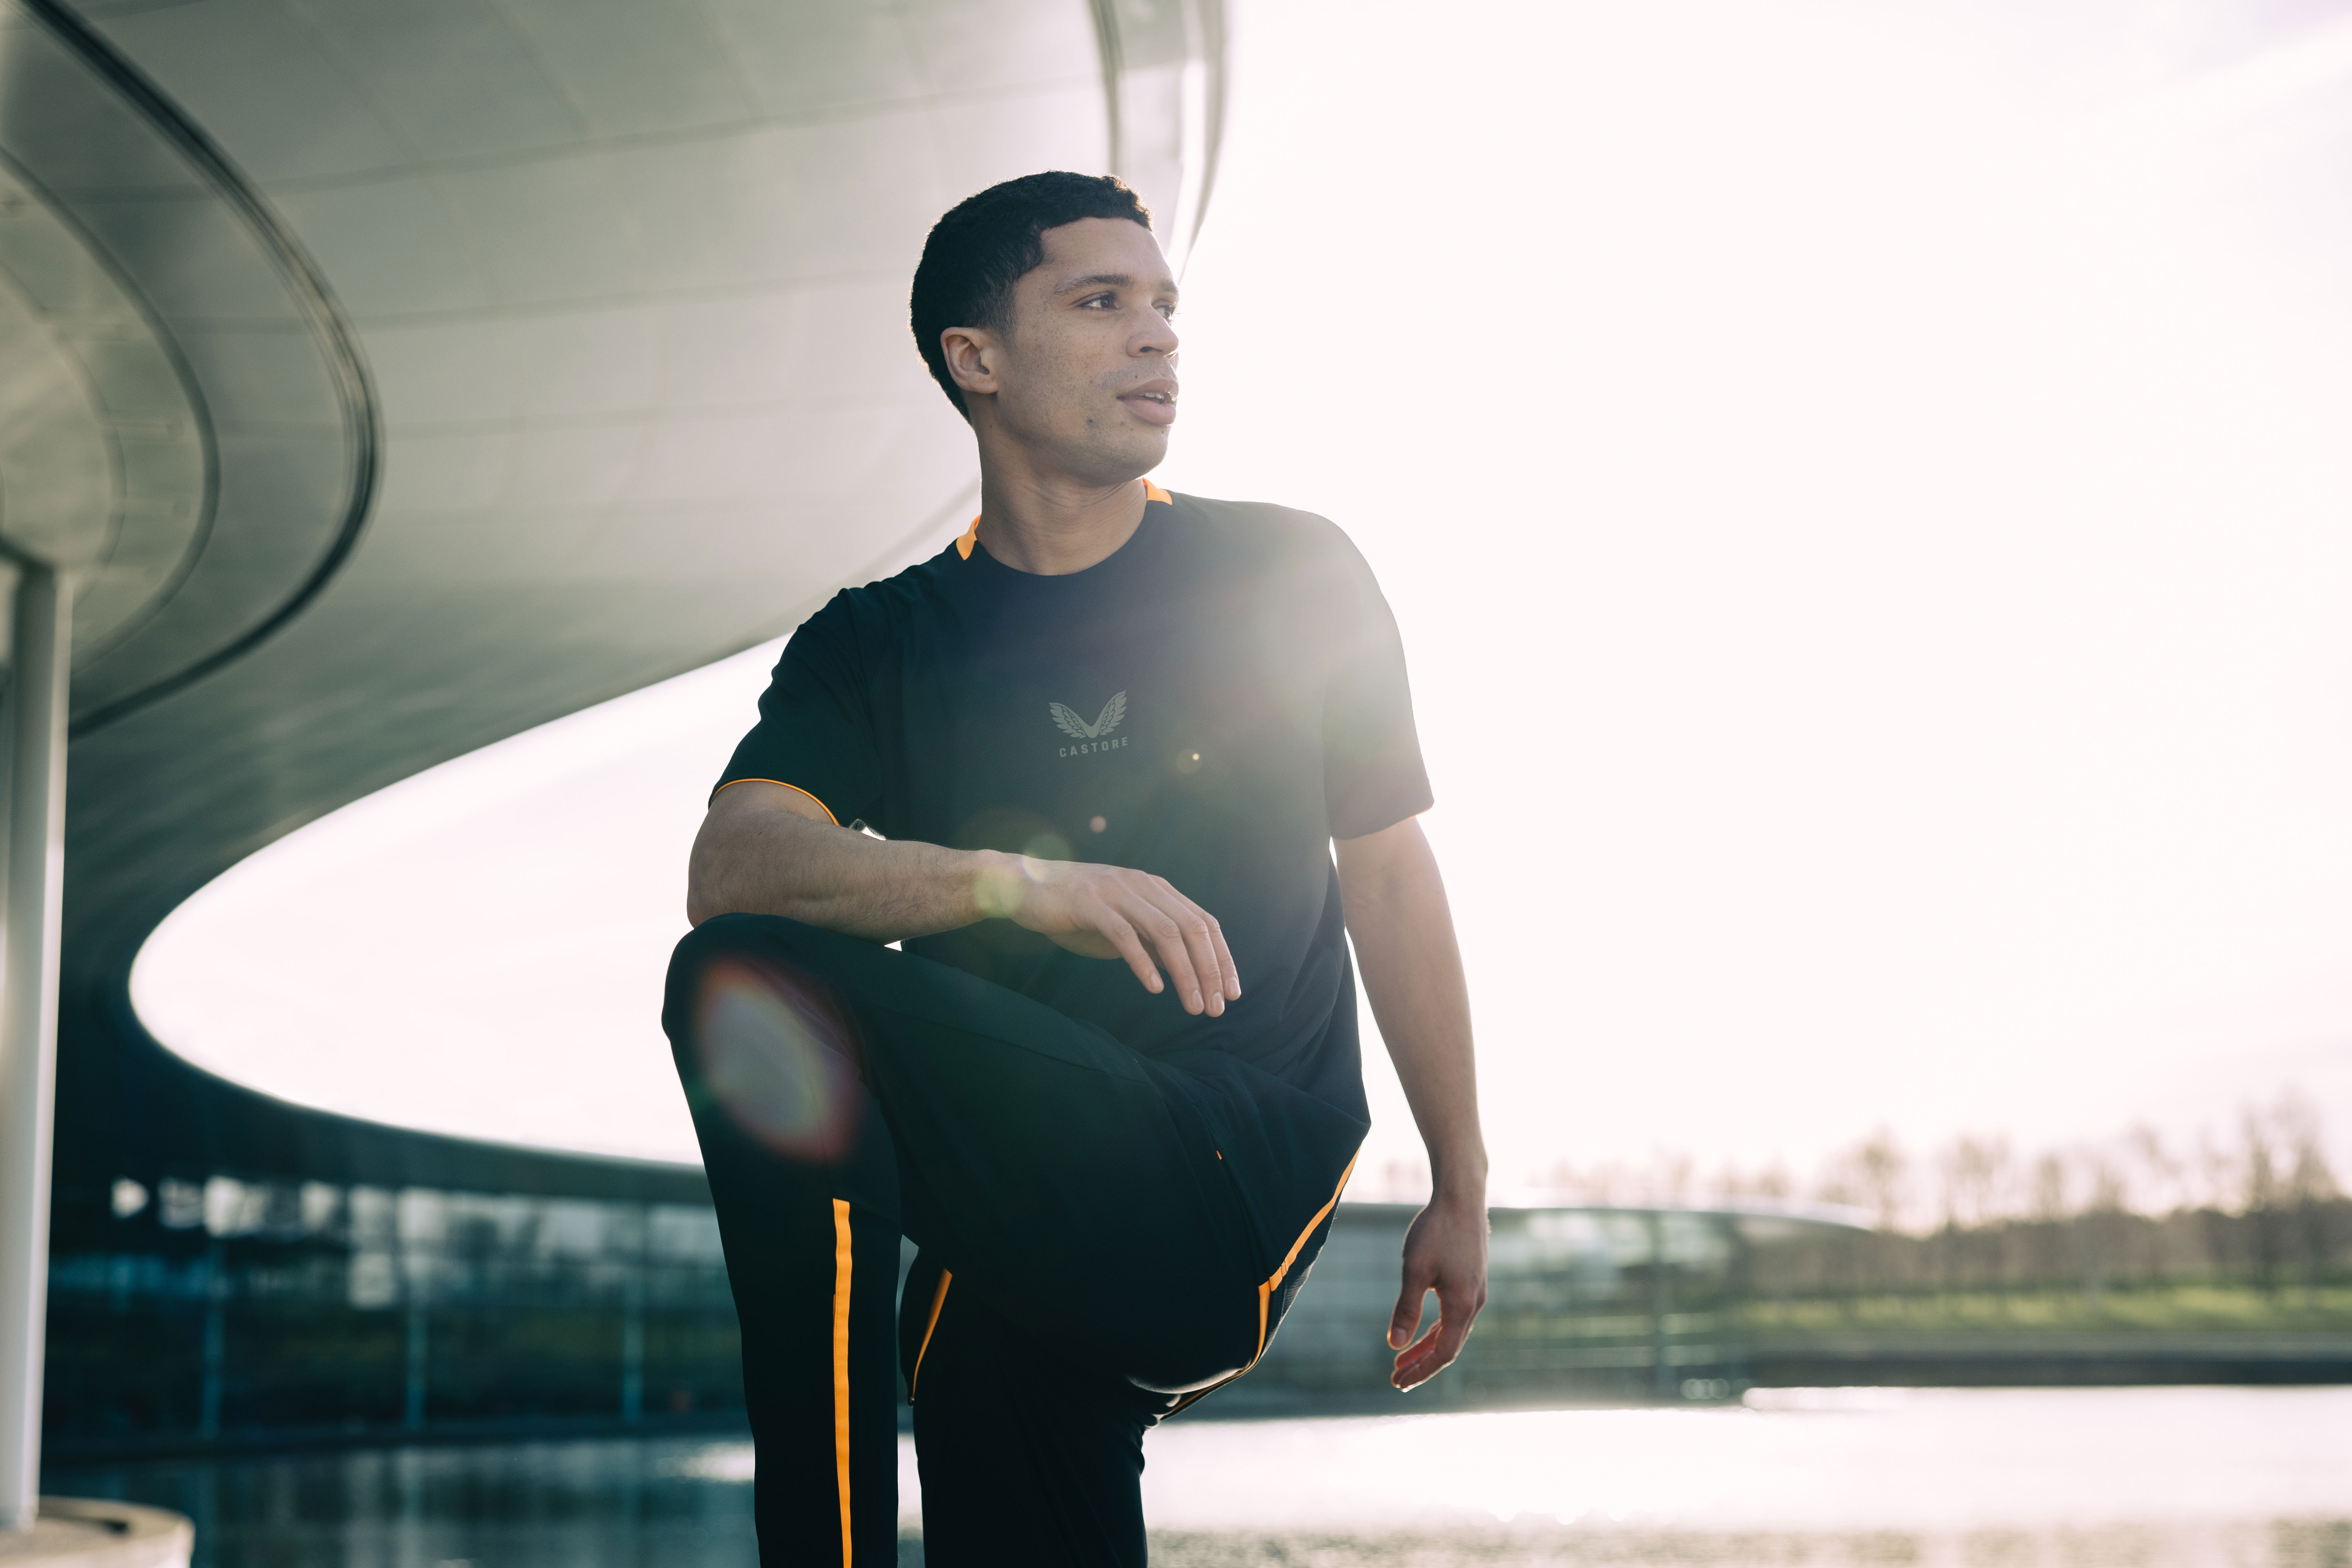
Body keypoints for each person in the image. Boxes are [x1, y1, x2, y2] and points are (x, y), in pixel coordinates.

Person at [665, 170, 1487, 1566]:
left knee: (755, 979)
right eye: (1099, 302)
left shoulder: (1287, 571)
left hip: (1230, 1168)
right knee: (745, 971)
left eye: (1163, 304)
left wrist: (1461, 1184)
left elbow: (1389, 874)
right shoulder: (882, 641)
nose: (1156, 335)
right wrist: (1014, 884)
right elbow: (734, 859)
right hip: (1018, 1249)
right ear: (973, 360)